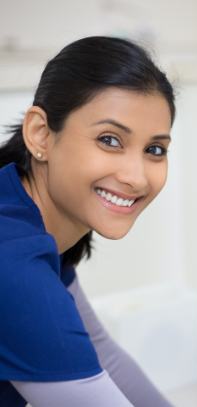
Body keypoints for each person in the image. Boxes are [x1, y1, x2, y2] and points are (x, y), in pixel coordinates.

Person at [0, 36, 175, 406]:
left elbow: (103, 356)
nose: (137, 177)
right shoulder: (13, 266)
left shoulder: (21, 207)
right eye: (110, 140)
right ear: (40, 134)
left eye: (154, 149)